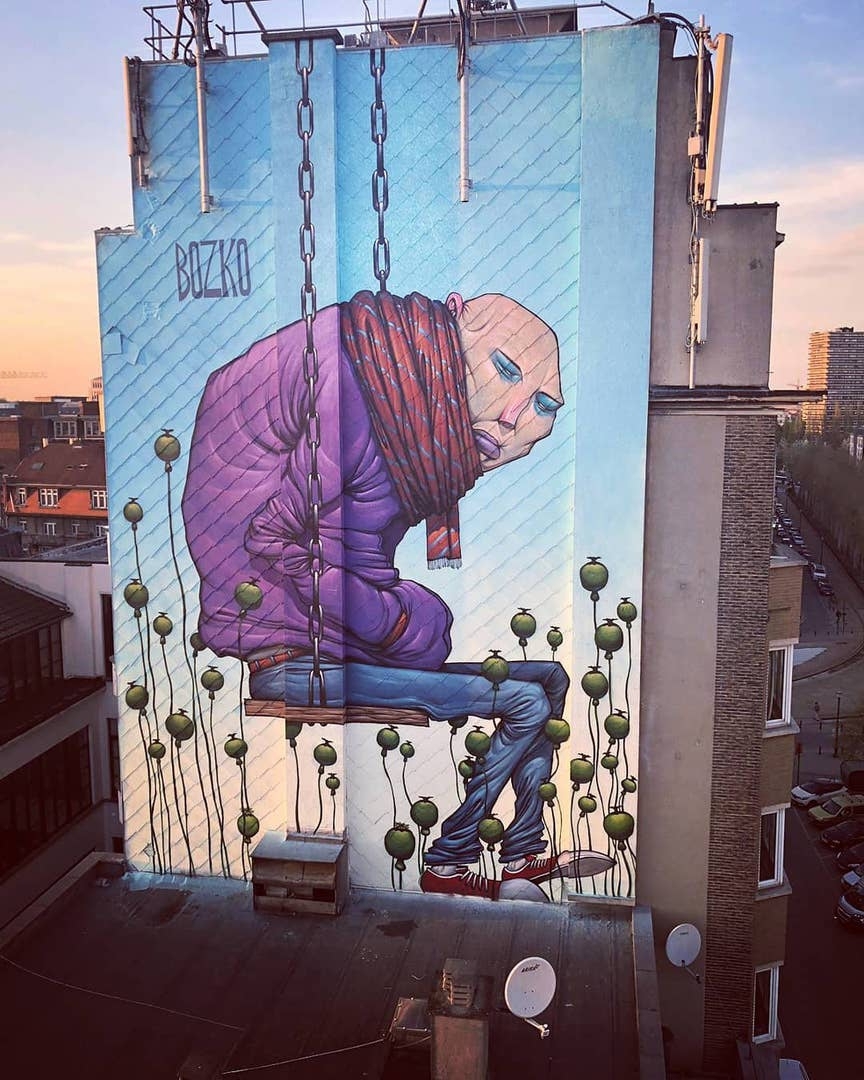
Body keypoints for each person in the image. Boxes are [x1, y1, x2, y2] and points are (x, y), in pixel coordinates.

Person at [183, 289, 610, 899]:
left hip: (332, 636)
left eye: (544, 404)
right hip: (293, 657)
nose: (515, 416)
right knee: (522, 703)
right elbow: (271, 538)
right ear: (453, 320)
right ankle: (450, 859)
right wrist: (392, 623)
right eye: (504, 368)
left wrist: (398, 622)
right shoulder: (358, 400)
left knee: (549, 680)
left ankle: (521, 853)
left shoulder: (405, 418)